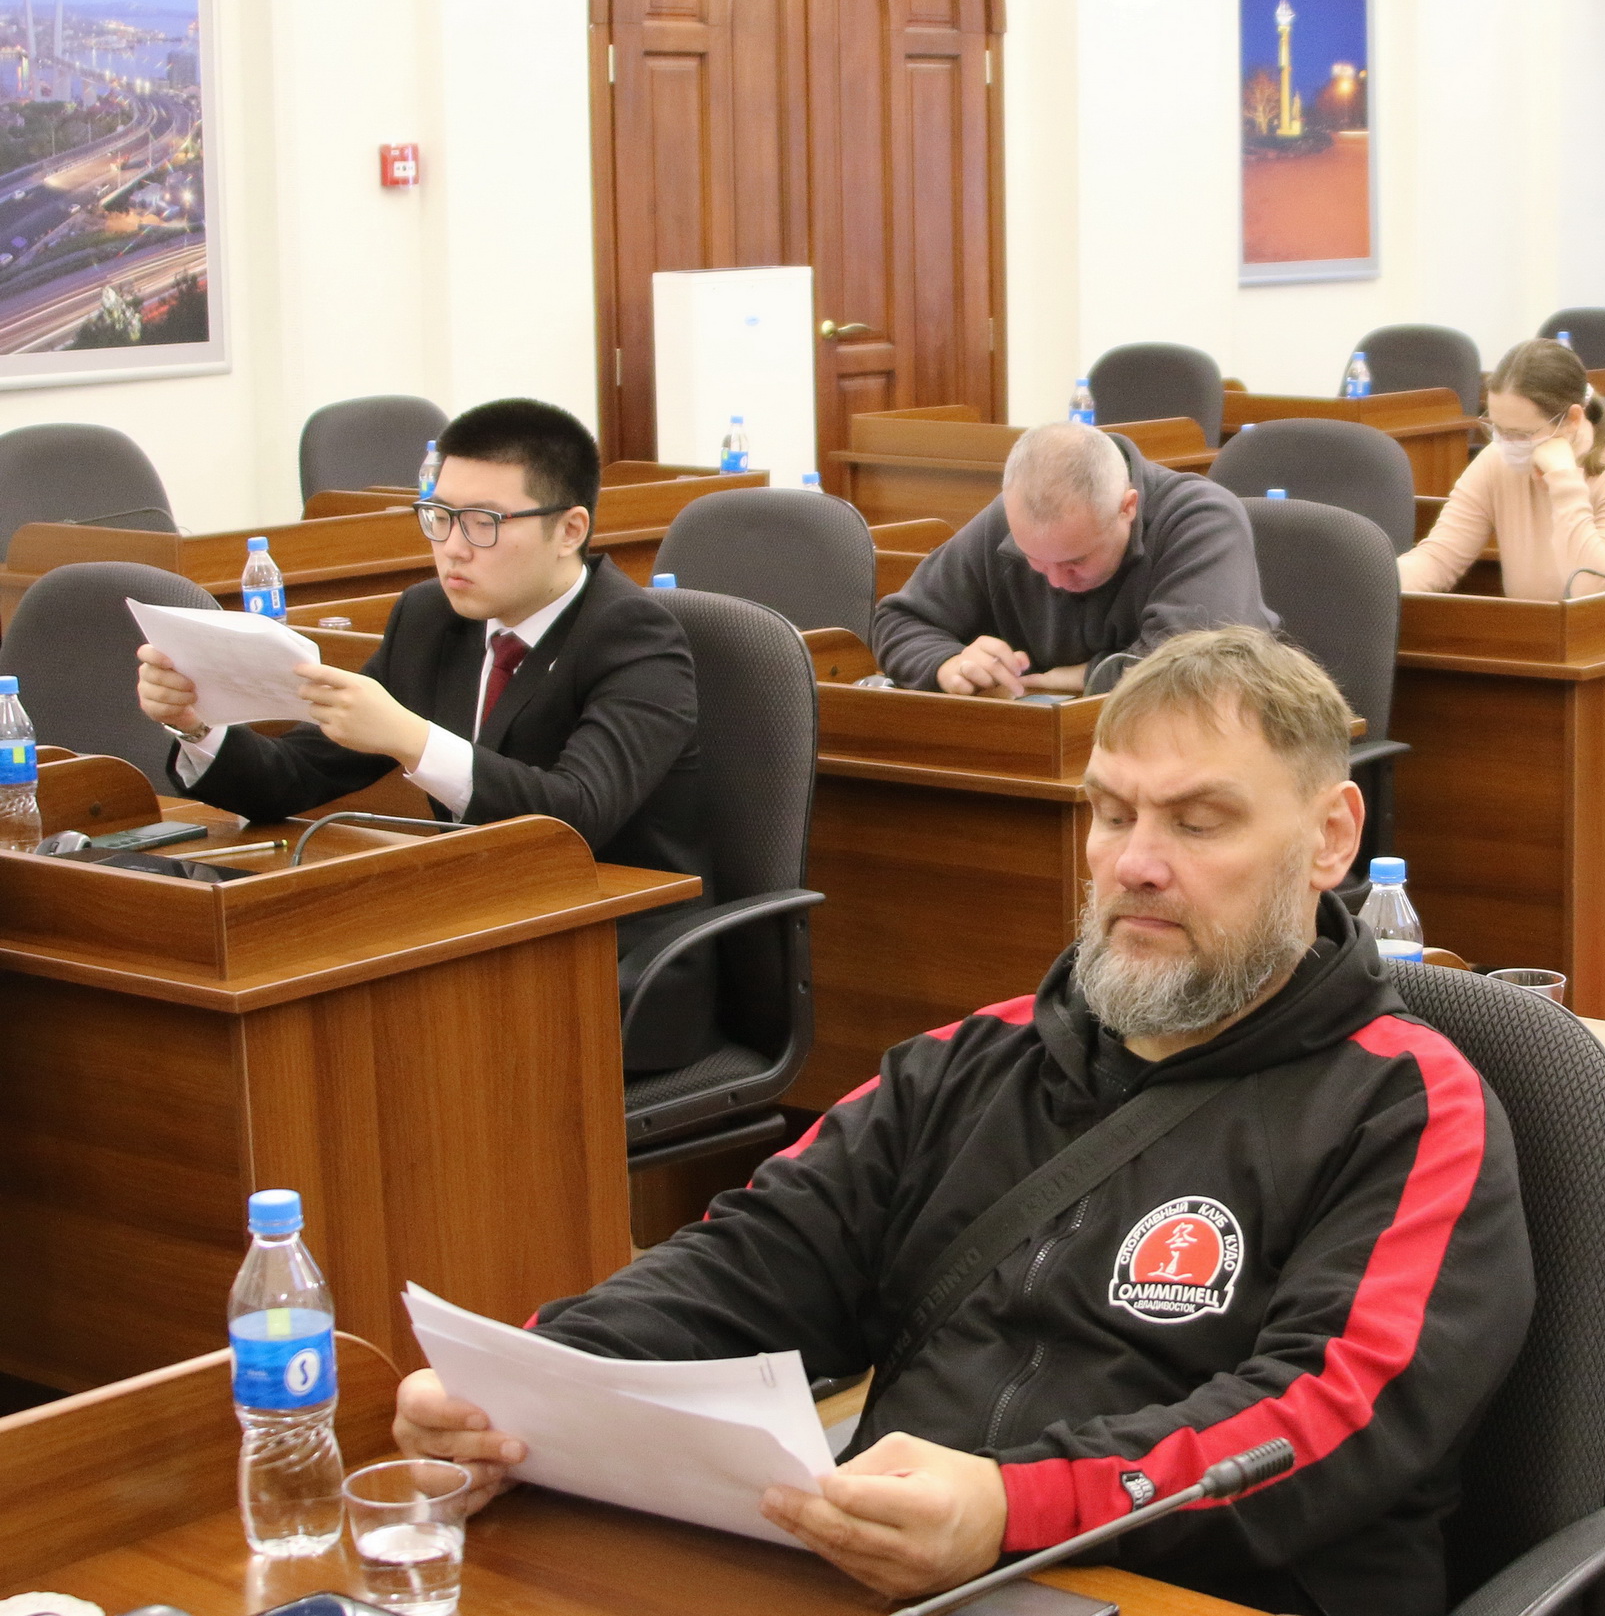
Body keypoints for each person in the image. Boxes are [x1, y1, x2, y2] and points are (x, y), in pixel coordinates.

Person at [391, 626, 1534, 1616]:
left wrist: (1010, 1504)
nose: (1134, 863)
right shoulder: (971, 1059)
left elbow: (1326, 1416)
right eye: (1112, 813)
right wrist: (533, 1377)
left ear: (1330, 838)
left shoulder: (1405, 1104)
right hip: (912, 1572)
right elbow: (756, 1257)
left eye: (1199, 822)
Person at [135, 398, 715, 1069]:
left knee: (359, 1035)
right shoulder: (429, 619)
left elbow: (577, 813)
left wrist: (411, 738)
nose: (453, 548)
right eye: (439, 517)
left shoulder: (636, 637)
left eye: (484, 523)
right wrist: (198, 725)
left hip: (618, 959)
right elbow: (298, 776)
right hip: (471, 929)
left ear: (569, 529)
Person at [873, 421, 1275, 695]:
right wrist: (947, 664)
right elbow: (900, 621)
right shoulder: (1005, 521)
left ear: (1127, 507)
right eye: (1033, 559)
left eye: (1076, 561)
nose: (1055, 581)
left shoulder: (1201, 518)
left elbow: (1193, 670)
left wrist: (1075, 678)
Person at [1398, 337, 1605, 601]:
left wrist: (1564, 482)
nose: (1506, 442)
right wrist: (1382, 582)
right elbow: (1438, 559)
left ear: (1573, 419)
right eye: (1497, 428)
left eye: (1522, 434)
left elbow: (1591, 588)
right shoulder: (1496, 460)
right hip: (1540, 631)